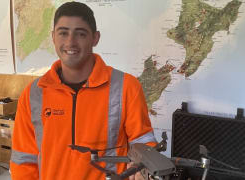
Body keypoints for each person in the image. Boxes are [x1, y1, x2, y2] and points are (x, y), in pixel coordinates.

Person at [10, 2, 157, 180]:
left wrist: (142, 166)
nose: (70, 42)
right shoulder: (33, 93)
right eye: (63, 33)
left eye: (80, 34)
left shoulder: (127, 86)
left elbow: (143, 142)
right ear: (53, 37)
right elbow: (23, 159)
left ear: (95, 38)